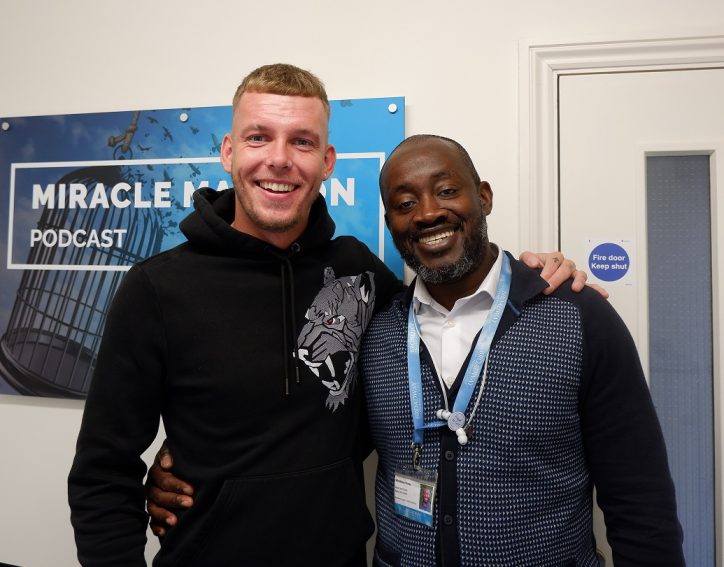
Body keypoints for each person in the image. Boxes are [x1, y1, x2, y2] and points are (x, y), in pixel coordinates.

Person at [68, 63, 585, 567]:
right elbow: (103, 472)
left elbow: (448, 302)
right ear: (228, 152)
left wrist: (533, 269)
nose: (279, 159)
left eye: (302, 141)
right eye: (258, 138)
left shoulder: (357, 270)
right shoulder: (157, 288)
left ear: (327, 160)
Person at [360, 135, 684, 566]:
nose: (428, 212)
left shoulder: (578, 316)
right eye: (404, 204)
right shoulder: (376, 332)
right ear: (390, 223)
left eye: (446, 190)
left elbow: (641, 499)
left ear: (484, 197)